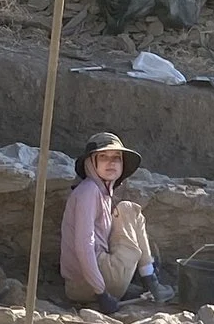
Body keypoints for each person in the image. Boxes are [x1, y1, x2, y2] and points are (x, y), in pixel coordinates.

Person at [61, 131, 161, 312]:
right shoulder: (89, 190)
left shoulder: (100, 193)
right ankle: (150, 279)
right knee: (128, 210)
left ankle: (147, 278)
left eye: (117, 157)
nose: (112, 162)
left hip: (81, 286)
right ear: (91, 163)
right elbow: (84, 244)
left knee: (120, 212)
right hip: (92, 285)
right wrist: (101, 293)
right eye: (103, 157)